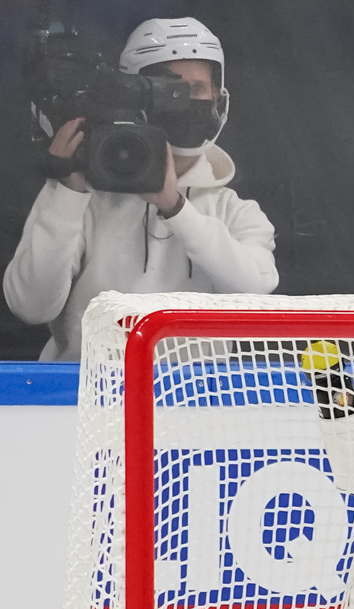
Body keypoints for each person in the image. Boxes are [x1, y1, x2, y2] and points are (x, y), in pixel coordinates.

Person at [5, 17, 277, 362]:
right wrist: (67, 192)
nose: (184, 99)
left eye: (197, 88)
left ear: (218, 99)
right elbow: (31, 305)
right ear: (133, 93)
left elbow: (255, 292)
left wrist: (175, 207)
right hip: (82, 399)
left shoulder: (235, 212)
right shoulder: (84, 200)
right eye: (168, 88)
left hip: (197, 402)